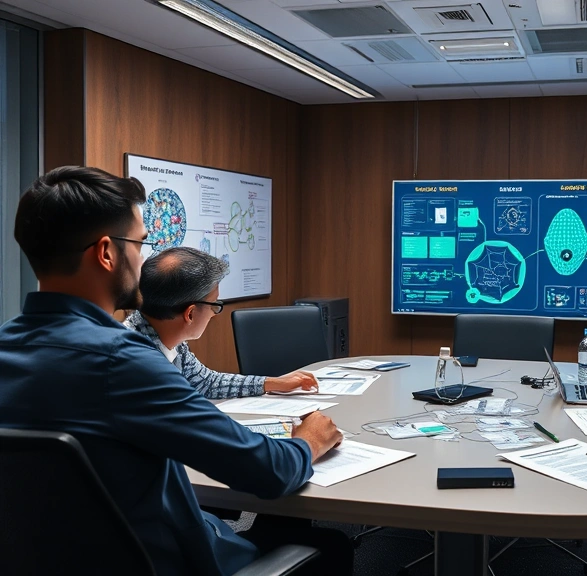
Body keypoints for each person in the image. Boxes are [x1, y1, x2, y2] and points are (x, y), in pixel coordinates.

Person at [0, 166, 352, 575]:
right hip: (173, 561)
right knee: (329, 546)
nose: (143, 259)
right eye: (140, 243)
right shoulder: (125, 362)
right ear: (107, 253)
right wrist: (309, 441)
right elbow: (267, 472)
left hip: (59, 559)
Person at [123, 246, 318, 398]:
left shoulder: (159, 331)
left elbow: (206, 382)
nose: (214, 314)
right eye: (214, 305)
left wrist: (271, 383)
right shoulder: (141, 363)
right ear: (190, 314)